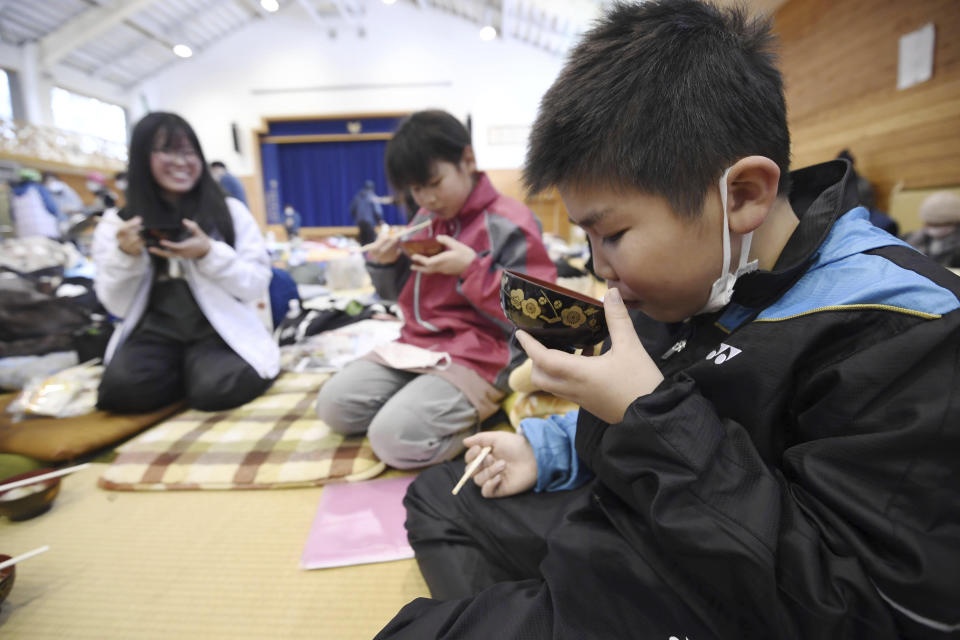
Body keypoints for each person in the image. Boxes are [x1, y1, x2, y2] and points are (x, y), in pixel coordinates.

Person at [376, 3, 960, 639]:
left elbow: (869, 610)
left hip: (731, 588)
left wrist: (643, 414)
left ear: (742, 195)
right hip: (652, 515)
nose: (600, 268)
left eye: (614, 234)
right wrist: (545, 450)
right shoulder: (702, 279)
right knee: (441, 496)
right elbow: (668, 406)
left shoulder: (905, 327)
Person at [316, 110, 556, 469]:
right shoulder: (424, 221)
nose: (426, 198)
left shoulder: (510, 221)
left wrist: (471, 270)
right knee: (333, 405)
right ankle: (426, 403)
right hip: (420, 347)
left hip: (484, 353)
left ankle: (469, 415)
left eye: (434, 182)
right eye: (415, 189)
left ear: (468, 160)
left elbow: (543, 314)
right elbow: (400, 296)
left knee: (394, 439)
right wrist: (384, 264)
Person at [93, 112, 278, 413]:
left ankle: (192, 374)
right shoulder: (118, 224)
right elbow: (116, 306)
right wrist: (126, 257)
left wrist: (209, 253)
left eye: (188, 152)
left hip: (215, 329)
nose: (180, 162)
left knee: (218, 389)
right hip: (154, 331)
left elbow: (255, 284)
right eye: (166, 150)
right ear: (141, 158)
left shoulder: (229, 212)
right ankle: (183, 372)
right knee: (120, 392)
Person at [903, 190, 960, 269]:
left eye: (939, 224)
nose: (933, 228)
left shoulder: (957, 249)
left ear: (955, 222)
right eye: (930, 223)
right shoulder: (911, 239)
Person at [10, 168, 62, 238]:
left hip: (23, 233)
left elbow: (13, 215)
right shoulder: (39, 189)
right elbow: (52, 209)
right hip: (45, 231)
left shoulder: (13, 193)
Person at [348, 179, 384, 245]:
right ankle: (370, 255)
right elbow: (377, 210)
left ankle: (363, 254)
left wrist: (357, 217)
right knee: (371, 241)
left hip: (360, 222)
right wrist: (379, 219)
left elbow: (352, 209)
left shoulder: (357, 197)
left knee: (363, 240)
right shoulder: (372, 197)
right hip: (369, 222)